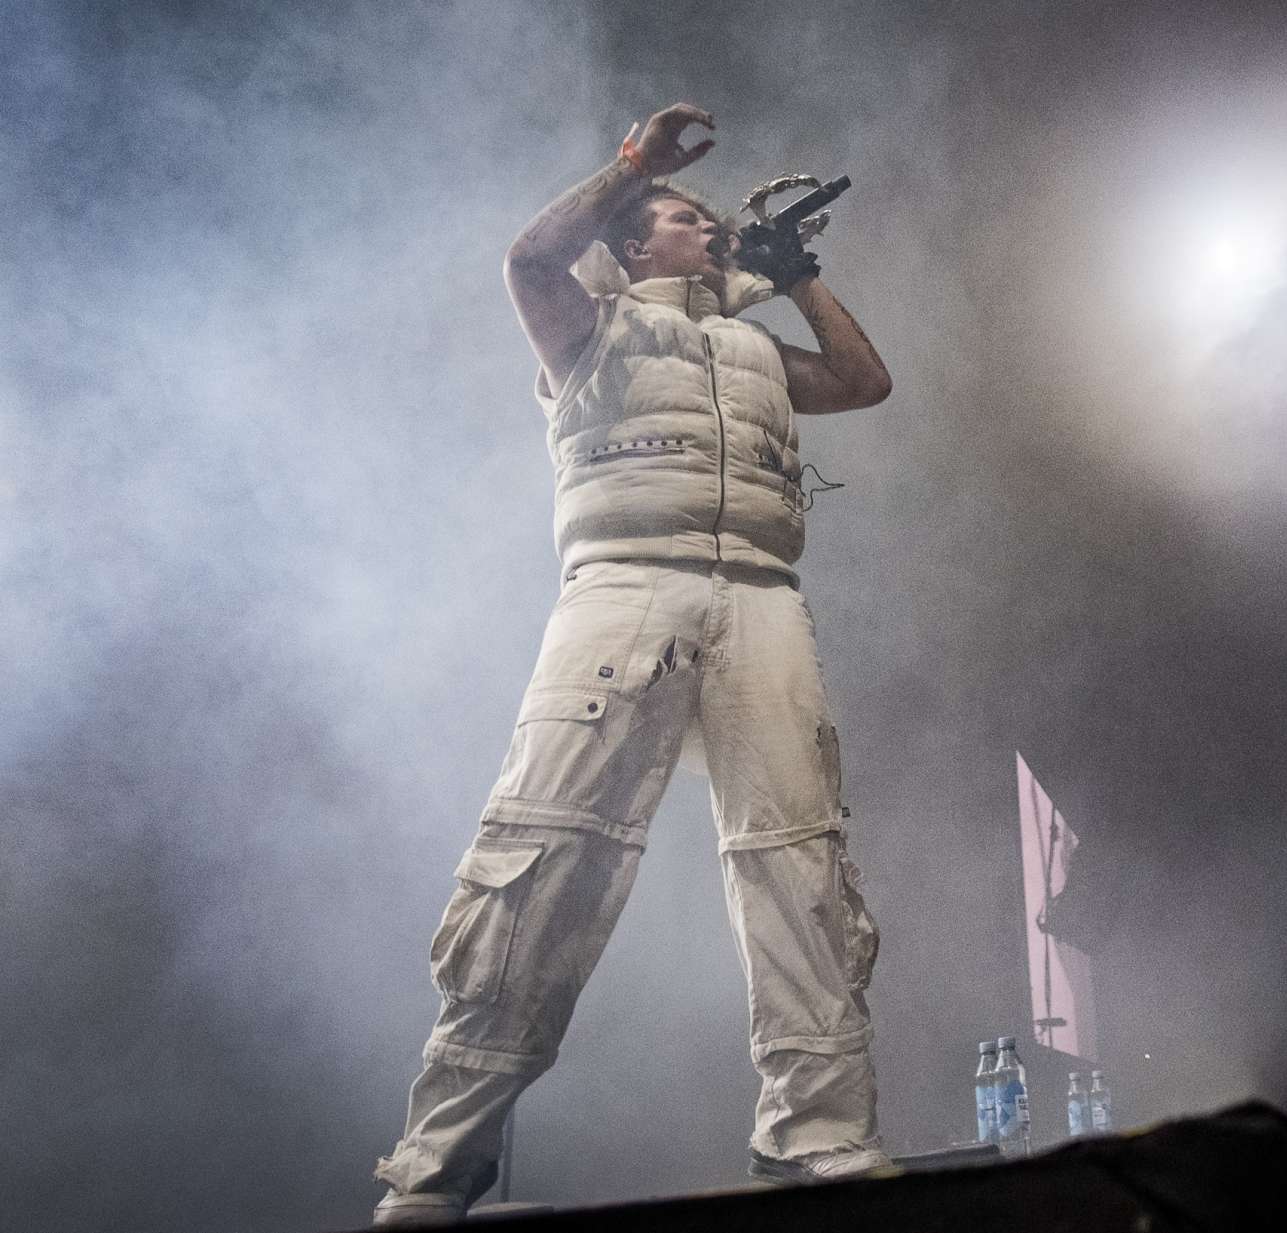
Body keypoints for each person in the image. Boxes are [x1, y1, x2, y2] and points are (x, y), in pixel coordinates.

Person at [370, 102, 896, 1225]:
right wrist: (628, 168)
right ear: (628, 241)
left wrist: (794, 276)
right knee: (545, 858)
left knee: (797, 861)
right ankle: (436, 1162)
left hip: (760, 595)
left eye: (707, 221)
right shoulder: (587, 327)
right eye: (678, 218)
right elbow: (526, 254)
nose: (704, 229)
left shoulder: (751, 346)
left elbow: (863, 382)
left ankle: (819, 1132)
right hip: (622, 587)